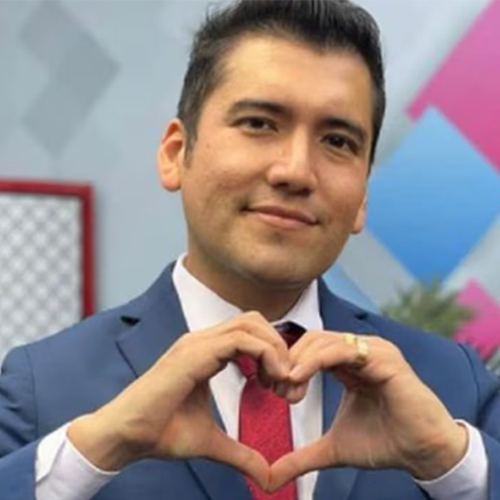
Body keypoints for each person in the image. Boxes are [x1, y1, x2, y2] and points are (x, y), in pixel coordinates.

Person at [0, 0, 499, 499]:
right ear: (176, 154)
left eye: (338, 142)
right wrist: (88, 456)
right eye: (260, 123)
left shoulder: (453, 388)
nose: (296, 171)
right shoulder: (44, 387)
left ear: (363, 197)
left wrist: (453, 464)